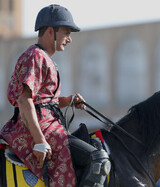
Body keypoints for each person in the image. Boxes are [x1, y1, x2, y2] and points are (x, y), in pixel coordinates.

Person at [0, 4, 110, 187]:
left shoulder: (43, 57)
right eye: (66, 33)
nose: (69, 39)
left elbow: (41, 102)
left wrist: (67, 101)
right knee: (98, 160)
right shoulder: (35, 56)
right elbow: (24, 99)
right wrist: (39, 140)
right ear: (51, 31)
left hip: (49, 124)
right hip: (41, 129)